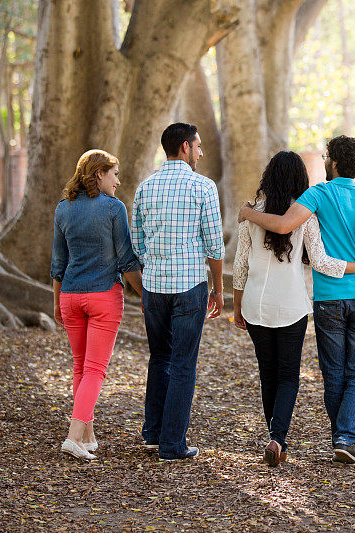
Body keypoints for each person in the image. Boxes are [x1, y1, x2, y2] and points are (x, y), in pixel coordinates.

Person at [239, 136, 355, 464]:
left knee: (326, 371)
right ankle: (343, 437)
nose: (323, 161)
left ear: (334, 162)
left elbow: (266, 242)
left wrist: (247, 214)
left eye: (326, 156)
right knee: (354, 372)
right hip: (344, 297)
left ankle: (312, 437)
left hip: (310, 300)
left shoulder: (316, 197)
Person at [131, 122, 225, 461]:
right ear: (185, 147)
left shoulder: (145, 187)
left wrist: (154, 269)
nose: (201, 152)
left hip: (154, 288)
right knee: (184, 364)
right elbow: (214, 246)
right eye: (198, 146)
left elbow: (136, 245)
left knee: (160, 357)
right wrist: (219, 288)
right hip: (189, 287)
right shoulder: (203, 187)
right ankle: (172, 445)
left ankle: (154, 433)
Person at [51, 149, 144, 461]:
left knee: (80, 366)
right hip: (103, 295)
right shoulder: (114, 209)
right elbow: (127, 259)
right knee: (94, 369)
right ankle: (73, 436)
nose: (118, 181)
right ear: (99, 174)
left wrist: (56, 302)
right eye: (114, 174)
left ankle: (88, 435)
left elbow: (58, 263)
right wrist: (145, 295)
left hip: (70, 297)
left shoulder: (64, 208)